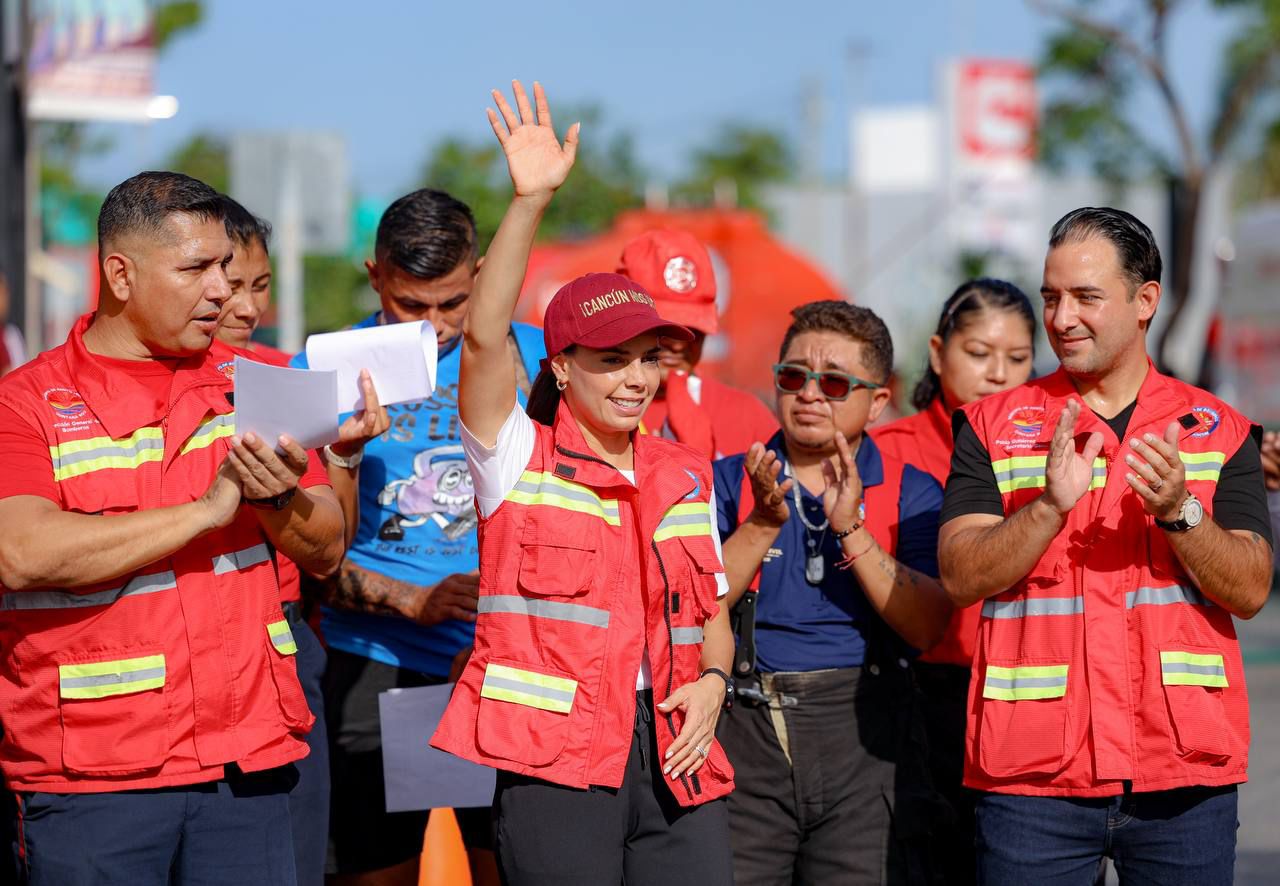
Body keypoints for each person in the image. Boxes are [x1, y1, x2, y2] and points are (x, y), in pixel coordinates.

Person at [0, 171, 346, 885]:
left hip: (247, 767)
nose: (222, 289)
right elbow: (22, 553)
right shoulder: (24, 403)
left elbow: (327, 548)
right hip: (93, 783)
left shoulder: (258, 379)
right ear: (119, 274)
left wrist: (279, 502)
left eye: (225, 265)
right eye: (196, 268)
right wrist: (207, 511)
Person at [432, 80, 736, 886]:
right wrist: (529, 201)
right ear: (560, 367)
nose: (636, 378)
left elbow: (709, 613)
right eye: (610, 360)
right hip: (556, 764)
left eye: (647, 357)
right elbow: (486, 336)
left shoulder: (683, 473)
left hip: (677, 753)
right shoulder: (514, 457)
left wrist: (713, 683)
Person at [938, 207, 1273, 885]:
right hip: (1033, 782)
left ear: (1146, 300)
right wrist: (1048, 508)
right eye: (1052, 297)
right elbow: (960, 575)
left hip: (1182, 775)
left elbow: (1250, 589)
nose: (1062, 319)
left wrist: (1182, 512)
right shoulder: (991, 426)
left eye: (1087, 297)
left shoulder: (1220, 430)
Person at [289, 187, 542, 883]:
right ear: (375, 278)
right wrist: (409, 599)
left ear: (483, 275)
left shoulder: (539, 362)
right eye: (410, 305)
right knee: (381, 870)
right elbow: (298, 544)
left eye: (453, 304)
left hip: (506, 665)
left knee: (511, 866)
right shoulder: (321, 373)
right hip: (372, 658)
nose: (434, 326)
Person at [713, 300, 953, 884]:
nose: (810, 394)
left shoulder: (910, 490)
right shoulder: (724, 479)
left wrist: (852, 528)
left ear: (877, 399)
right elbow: (696, 607)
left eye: (835, 382)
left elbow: (926, 624)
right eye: (793, 376)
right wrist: (761, 522)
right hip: (745, 734)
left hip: (867, 743)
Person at [215, 195, 387, 886]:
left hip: (283, 641)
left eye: (260, 286)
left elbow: (327, 544)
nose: (248, 307)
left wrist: (342, 456)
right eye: (231, 286)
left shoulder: (286, 376)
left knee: (288, 854)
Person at [871, 278, 1035, 884]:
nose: (998, 373)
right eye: (979, 353)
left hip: (1022, 695)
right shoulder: (885, 452)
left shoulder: (1054, 449)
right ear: (938, 354)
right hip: (919, 699)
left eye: (1017, 360)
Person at [616, 229, 777, 458]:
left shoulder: (747, 415)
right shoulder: (591, 412)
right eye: (665, 328)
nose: (680, 345)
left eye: (695, 329)